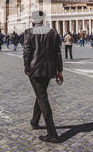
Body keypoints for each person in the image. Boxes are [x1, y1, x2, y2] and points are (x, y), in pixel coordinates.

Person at [23, 11, 63, 143]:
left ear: (33, 20)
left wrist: (27, 68)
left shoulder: (29, 32)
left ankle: (52, 133)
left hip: (35, 70)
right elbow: (57, 52)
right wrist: (60, 70)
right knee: (40, 94)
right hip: (49, 70)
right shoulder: (52, 32)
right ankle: (34, 121)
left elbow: (27, 52)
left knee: (42, 98)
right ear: (43, 20)